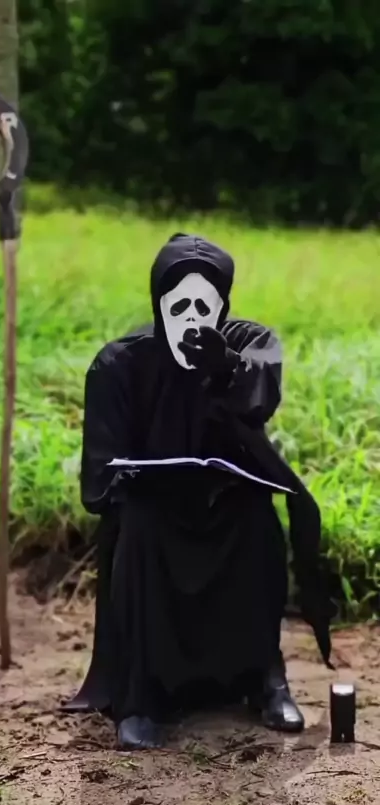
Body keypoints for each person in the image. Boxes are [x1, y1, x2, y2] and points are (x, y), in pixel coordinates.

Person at [65, 233, 336, 750]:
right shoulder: (120, 364)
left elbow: (261, 392)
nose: (192, 319)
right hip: (154, 510)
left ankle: (265, 678)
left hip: (228, 503)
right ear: (158, 306)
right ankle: (142, 697)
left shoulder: (247, 343)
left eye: (203, 307)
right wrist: (139, 479)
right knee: (140, 527)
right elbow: (99, 481)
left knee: (258, 521)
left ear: (222, 308)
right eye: (179, 306)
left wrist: (226, 367)